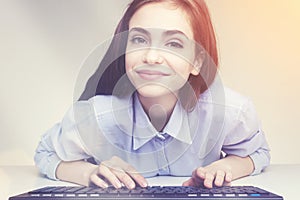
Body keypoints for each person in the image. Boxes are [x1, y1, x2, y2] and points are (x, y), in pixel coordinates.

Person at [34, 0, 270, 190]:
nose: (152, 57)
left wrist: (227, 167)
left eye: (174, 43)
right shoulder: (96, 116)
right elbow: (46, 154)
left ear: (197, 61)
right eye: (139, 39)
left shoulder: (230, 112)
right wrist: (90, 173)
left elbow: (258, 153)